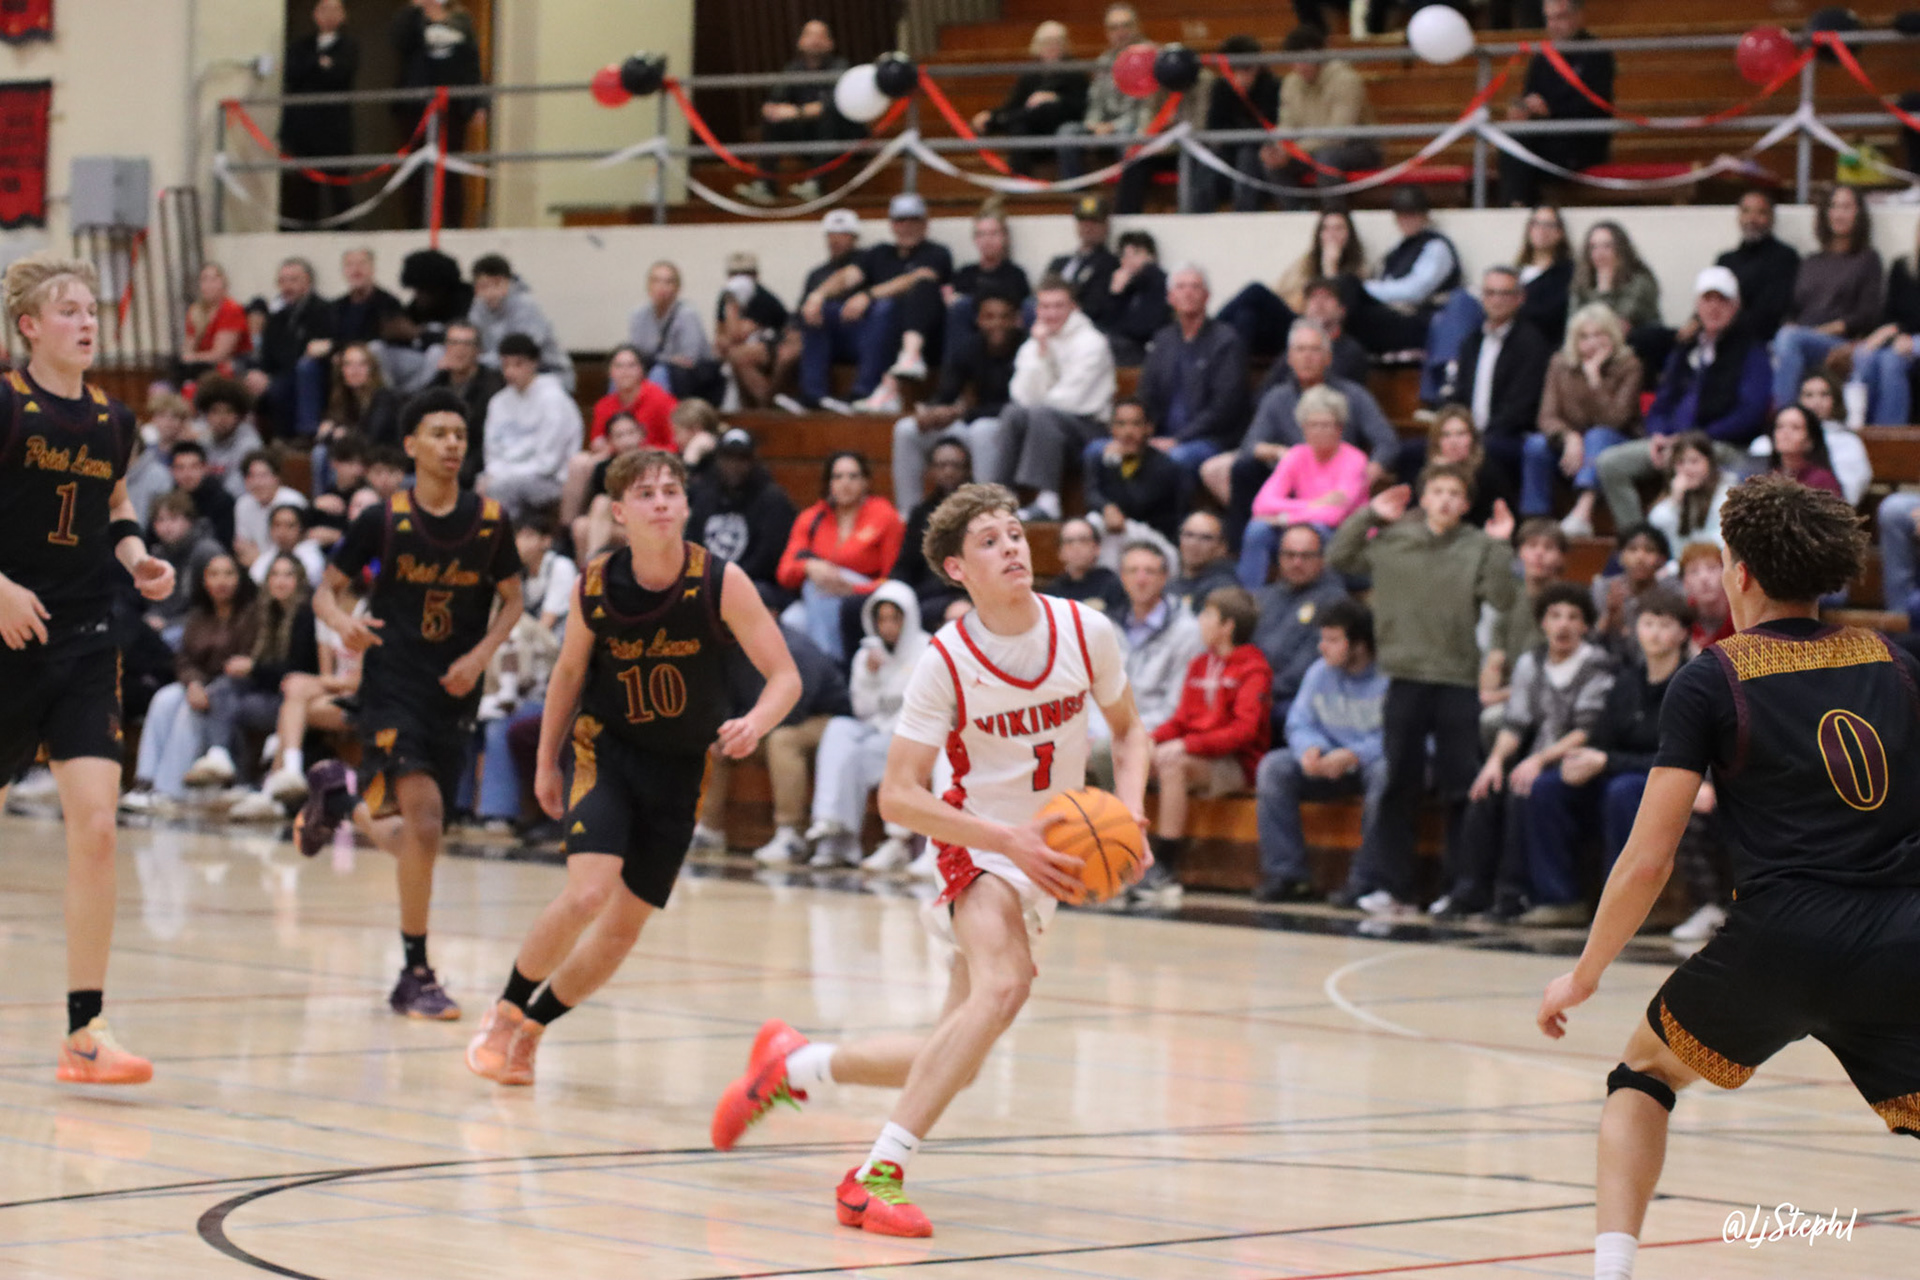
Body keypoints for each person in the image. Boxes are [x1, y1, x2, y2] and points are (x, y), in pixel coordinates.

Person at [708, 482, 1153, 1236]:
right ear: (956, 569)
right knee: (1006, 986)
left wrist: (1132, 812)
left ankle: (795, 1065)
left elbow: (1131, 731)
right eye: (989, 541)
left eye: (1015, 533)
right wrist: (1003, 840)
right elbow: (897, 796)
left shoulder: (1087, 631)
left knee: (960, 1055)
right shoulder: (945, 662)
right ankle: (873, 1176)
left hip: (1046, 854)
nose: (1011, 548)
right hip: (974, 841)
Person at [1536, 475, 1920, 1280]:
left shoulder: (1713, 677)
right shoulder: (1897, 663)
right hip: (1902, 940)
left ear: (1740, 573)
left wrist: (1585, 973)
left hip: (1778, 941)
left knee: (1644, 1076)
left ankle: (1611, 1271)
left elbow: (1649, 859)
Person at [462, 446, 797, 1084]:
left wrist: (756, 722)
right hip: (607, 752)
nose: (661, 503)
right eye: (645, 494)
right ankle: (505, 1012)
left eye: (671, 491)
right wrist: (546, 763)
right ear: (619, 512)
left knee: (621, 931)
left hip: (681, 770)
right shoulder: (595, 583)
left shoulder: (719, 581)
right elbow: (567, 675)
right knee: (589, 891)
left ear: (687, 505)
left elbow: (785, 677)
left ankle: (533, 1030)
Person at [294, 388, 525, 1020]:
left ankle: (339, 799)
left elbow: (513, 599)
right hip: (393, 685)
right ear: (411, 444)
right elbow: (324, 593)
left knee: (419, 836)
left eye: (460, 434)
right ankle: (414, 973)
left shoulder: (489, 521)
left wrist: (480, 656)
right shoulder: (382, 519)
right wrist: (343, 623)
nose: (452, 443)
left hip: (454, 689)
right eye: (439, 432)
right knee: (424, 822)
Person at [0, 255, 176, 1083]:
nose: (87, 322)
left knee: (99, 827)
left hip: (81, 637)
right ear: (30, 326)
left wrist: (139, 557)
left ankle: (84, 1032)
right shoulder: (6, 404)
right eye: (68, 310)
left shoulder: (114, 419)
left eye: (92, 309)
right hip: (4, 632)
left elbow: (114, 501)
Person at [1329, 464, 1516, 916]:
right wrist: (1369, 514)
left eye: (1455, 492)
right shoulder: (1392, 539)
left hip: (1457, 679)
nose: (1446, 499)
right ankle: (1394, 888)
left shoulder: (1479, 544)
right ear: (1424, 498)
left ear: (1465, 504)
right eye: (1438, 491)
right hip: (1404, 676)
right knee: (1398, 785)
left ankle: (1462, 889)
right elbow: (1338, 557)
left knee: (1460, 786)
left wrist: (1500, 545)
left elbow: (1504, 598)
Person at [1448, 582, 1615, 921]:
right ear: (1542, 623)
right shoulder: (1530, 662)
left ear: (1585, 626)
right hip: (1538, 760)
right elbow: (1515, 723)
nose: (1563, 624)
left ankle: (1514, 895)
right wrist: (1494, 762)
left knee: (1523, 789)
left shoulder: (1597, 664)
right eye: (1555, 616)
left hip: (1578, 763)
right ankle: (1470, 893)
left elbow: (1585, 731)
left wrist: (1538, 760)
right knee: (1485, 789)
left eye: (1573, 617)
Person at [1532, 588, 1693, 934]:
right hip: (1619, 775)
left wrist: (1605, 761)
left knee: (1622, 791)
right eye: (1648, 624)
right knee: (1547, 787)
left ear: (1682, 634)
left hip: (1666, 783)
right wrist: (1581, 762)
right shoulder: (1627, 681)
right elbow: (1601, 741)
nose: (1655, 633)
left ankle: (1627, 905)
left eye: (1665, 625)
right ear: (1636, 630)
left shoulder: (1691, 685)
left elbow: (1676, 759)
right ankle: (1560, 899)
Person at [1596, 267, 1770, 529]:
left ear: (1736, 306)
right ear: (1697, 305)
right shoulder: (1686, 346)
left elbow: (1749, 412)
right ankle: (1637, 538)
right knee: (1610, 464)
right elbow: (1663, 400)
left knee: (1705, 458)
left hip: (1722, 443)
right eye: (1707, 299)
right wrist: (1658, 434)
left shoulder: (1751, 350)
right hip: (1673, 441)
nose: (1714, 307)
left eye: (1722, 300)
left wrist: (1694, 439)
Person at [1253, 597, 1386, 904]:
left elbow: (1401, 738)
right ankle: (1288, 876)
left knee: (1387, 775)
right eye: (1322, 639)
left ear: (1360, 645)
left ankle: (1367, 880)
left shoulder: (1388, 679)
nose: (1322, 647)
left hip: (1369, 763)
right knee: (1274, 767)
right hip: (1326, 763)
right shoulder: (1319, 673)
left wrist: (1354, 755)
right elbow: (1298, 723)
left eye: (1332, 640)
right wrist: (1311, 749)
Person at [1144, 586, 1271, 903]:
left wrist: (1187, 745)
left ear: (1227, 626)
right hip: (1199, 753)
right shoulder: (1200, 664)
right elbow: (1181, 720)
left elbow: (1243, 732)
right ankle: (1124, 850)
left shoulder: (1254, 668)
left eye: (1207, 614)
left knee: (1172, 763)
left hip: (1235, 763)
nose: (1200, 621)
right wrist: (1149, 740)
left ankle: (1165, 863)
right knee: (1135, 757)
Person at [1212, 319, 1397, 535]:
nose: (1307, 357)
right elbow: (1250, 445)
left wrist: (1366, 475)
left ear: (1328, 358)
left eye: (1314, 350)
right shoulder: (1277, 397)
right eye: (1300, 350)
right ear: (1289, 358)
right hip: (1291, 481)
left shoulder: (1353, 395)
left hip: (1337, 484)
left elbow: (1387, 442)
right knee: (1243, 468)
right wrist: (1281, 453)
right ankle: (1238, 544)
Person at [693, 622, 847, 866]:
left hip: (828, 720)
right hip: (765, 723)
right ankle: (708, 830)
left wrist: (749, 729)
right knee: (718, 739)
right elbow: (725, 699)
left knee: (783, 741)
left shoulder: (795, 648)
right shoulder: (733, 648)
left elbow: (795, 709)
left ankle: (791, 835)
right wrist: (726, 729)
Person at [806, 581, 928, 873]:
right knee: (839, 729)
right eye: (882, 619)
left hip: (909, 734)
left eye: (894, 619)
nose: (888, 627)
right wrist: (871, 677)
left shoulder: (928, 649)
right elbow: (862, 711)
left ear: (909, 618)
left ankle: (850, 841)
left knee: (856, 757)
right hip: (875, 729)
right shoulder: (866, 655)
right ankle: (830, 826)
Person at [124, 554, 256, 809]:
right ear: (204, 581)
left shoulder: (252, 615)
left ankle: (168, 791)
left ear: (240, 578)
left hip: (231, 687)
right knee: (163, 699)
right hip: (198, 681)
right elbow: (183, 659)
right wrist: (194, 683)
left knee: (189, 709)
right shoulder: (198, 615)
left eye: (228, 574)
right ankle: (144, 781)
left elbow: (247, 661)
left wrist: (204, 688)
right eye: (214, 574)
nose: (221, 581)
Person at [804, 193, 954, 417]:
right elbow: (848, 276)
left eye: (913, 220)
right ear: (892, 224)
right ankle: (812, 396)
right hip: (869, 335)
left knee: (884, 309)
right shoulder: (879, 253)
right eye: (900, 220)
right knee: (820, 312)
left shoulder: (936, 253)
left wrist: (868, 295)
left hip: (908, 334)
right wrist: (818, 295)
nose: (907, 226)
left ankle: (863, 391)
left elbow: (918, 277)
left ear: (925, 223)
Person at [185, 552, 314, 795]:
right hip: (269, 689)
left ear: (299, 580)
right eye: (275, 575)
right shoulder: (268, 611)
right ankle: (218, 756)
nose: (280, 581)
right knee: (221, 689)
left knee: (232, 707)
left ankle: (240, 781)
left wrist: (253, 668)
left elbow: (297, 672)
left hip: (290, 699)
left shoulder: (305, 615)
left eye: (288, 575)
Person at [1421, 206, 1573, 406]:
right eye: (1536, 224)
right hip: (1496, 325)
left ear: (1560, 233)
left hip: (1526, 332)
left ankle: (1449, 379)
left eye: (1549, 225)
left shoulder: (1564, 272)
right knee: (1452, 307)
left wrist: (1509, 303)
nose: (1541, 230)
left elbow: (1553, 311)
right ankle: (1447, 376)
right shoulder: (1518, 269)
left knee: (1463, 308)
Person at [998, 276, 1115, 522]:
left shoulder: (1092, 342)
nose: (1051, 313)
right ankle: (1001, 498)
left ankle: (1048, 501)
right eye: (1045, 306)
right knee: (1012, 413)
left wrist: (1037, 403)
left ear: (1074, 307)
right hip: (1046, 424)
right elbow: (1020, 396)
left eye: (1058, 306)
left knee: (1042, 414)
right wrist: (1041, 352)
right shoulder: (1033, 343)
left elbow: (1072, 400)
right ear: (1037, 309)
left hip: (1088, 428)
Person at [891, 290, 1021, 507]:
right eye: (989, 316)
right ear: (979, 320)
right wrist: (930, 411)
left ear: (1017, 320)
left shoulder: (1028, 348)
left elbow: (1018, 406)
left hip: (1005, 429)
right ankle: (907, 513)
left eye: (1004, 317)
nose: (997, 323)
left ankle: (989, 510)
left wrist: (960, 412)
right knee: (905, 429)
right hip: (969, 423)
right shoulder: (968, 347)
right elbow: (946, 393)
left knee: (982, 430)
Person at [774, 452, 905, 663]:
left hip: (866, 591)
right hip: (822, 596)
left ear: (866, 482)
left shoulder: (885, 516)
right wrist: (809, 566)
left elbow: (894, 578)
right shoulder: (812, 518)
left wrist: (854, 589)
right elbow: (784, 573)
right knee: (790, 622)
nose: (845, 483)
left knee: (817, 587)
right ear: (829, 483)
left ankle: (830, 664)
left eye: (853, 476)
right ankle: (814, 675)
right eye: (838, 477)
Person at [1526, 302, 1642, 533]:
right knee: (1535, 445)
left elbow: (1616, 420)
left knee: (1597, 436)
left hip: (1614, 441)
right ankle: (1536, 521)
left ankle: (1583, 511)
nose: (1592, 343)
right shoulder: (1560, 363)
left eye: (1599, 335)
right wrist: (1569, 437)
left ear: (1612, 336)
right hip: (1571, 442)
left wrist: (1594, 379)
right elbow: (1547, 416)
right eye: (1584, 337)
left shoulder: (1630, 366)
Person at [1240, 387, 1369, 588]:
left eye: (1326, 425)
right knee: (1257, 528)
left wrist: (1284, 518)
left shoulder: (1355, 460)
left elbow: (1333, 516)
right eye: (1313, 425)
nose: (1319, 431)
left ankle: (1325, 594)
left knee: (1314, 530)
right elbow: (1261, 505)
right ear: (1303, 428)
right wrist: (1314, 504)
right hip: (1302, 528)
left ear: (1340, 428)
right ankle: (1249, 596)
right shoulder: (1296, 455)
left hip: (1344, 539)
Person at [1771, 185, 1883, 416]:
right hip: (1802, 337)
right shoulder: (1810, 261)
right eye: (1834, 206)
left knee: (1789, 339)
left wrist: (1819, 331)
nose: (1839, 214)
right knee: (1781, 340)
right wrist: (1791, 325)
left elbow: (1866, 315)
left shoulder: (1868, 259)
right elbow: (1794, 307)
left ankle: (1786, 416)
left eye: (1846, 207)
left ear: (1858, 214)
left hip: (1841, 342)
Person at [1440, 266, 1553, 495]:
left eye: (1504, 294)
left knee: (1486, 450)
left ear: (1519, 298)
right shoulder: (1471, 341)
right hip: (1471, 435)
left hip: (1512, 437)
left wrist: (1473, 440)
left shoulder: (1532, 343)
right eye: (1490, 293)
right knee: (1413, 451)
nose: (1496, 300)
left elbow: (1521, 407)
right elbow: (1460, 393)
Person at [1131, 265, 1250, 475]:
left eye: (1195, 287)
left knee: (1173, 460)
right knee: (1101, 453)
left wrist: (1178, 439)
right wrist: (1138, 433)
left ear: (1207, 296)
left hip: (1210, 439)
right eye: (1181, 287)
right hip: (1162, 436)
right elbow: (1145, 394)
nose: (1188, 292)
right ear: (1170, 297)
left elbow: (1223, 408)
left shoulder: (1226, 341)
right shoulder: (1162, 340)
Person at [1497, 0, 1614, 206]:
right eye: (1549, 18)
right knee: (1512, 140)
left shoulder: (1597, 54)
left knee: (1525, 152)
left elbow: (1595, 106)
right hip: (1544, 138)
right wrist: (1522, 109)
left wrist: (1550, 110)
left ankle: (1518, 204)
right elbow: (1529, 96)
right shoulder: (1542, 58)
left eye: (1560, 17)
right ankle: (1516, 205)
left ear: (1578, 16)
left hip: (1580, 141)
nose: (1553, 25)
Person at [734, 20, 859, 205]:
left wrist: (797, 111)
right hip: (808, 137)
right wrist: (772, 110)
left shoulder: (840, 67)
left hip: (840, 138)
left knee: (828, 118)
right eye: (810, 35)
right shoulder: (793, 69)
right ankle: (765, 186)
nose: (815, 40)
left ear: (830, 43)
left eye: (820, 35)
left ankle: (815, 185)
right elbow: (776, 99)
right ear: (800, 41)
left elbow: (834, 105)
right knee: (773, 120)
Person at [1220, 208, 1367, 361]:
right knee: (1246, 316)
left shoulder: (1357, 269)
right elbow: (1279, 291)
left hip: (1308, 326)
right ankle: (1231, 369)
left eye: (1338, 228)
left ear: (1349, 235)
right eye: (1326, 229)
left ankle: (1211, 330)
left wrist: (1330, 267)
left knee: (1255, 290)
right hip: (1286, 321)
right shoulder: (1306, 262)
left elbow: (1336, 308)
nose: (1332, 234)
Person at [1260, 27, 1378, 209]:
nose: (1300, 66)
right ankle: (1297, 215)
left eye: (1305, 59)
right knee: (1272, 163)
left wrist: (1292, 150)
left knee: (1327, 159)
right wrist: (1278, 147)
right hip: (1309, 149)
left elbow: (1338, 135)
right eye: (1294, 60)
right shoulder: (1291, 83)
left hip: (1357, 148)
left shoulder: (1346, 80)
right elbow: (1287, 123)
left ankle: (1334, 217)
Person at [390, 0, 483, 229]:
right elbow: (400, 42)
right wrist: (416, 10)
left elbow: (472, 62)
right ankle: (414, 226)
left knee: (451, 168)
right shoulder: (409, 18)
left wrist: (478, 104)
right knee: (415, 170)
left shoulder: (461, 19)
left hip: (453, 107)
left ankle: (453, 226)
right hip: (416, 106)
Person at [686, 429, 798, 608]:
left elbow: (768, 558)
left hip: (757, 583)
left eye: (742, 459)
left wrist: (728, 581)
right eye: (728, 458)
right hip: (707, 581)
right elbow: (692, 544)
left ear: (753, 461)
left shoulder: (773, 499)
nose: (734, 466)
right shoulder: (704, 495)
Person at [1346, 188, 1460, 355]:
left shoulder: (1436, 247)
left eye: (1412, 214)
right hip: (1394, 316)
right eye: (1402, 214)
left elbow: (1414, 291)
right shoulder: (1399, 249)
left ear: (1424, 215)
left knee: (1351, 302)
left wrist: (1363, 288)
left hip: (1421, 320)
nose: (1406, 220)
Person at [481, 332, 582, 521]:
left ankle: (501, 537)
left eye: (518, 364)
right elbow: (492, 453)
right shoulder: (498, 402)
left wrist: (504, 477)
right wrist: (496, 474)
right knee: (480, 486)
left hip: (549, 480)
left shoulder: (554, 399)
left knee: (500, 490)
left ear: (534, 363)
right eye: (506, 365)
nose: (510, 372)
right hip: (504, 476)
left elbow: (548, 463)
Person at [1058, 3, 1158, 193]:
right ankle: (1078, 195)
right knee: (1067, 133)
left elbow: (1148, 108)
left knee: (1128, 140)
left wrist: (1113, 126)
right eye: (1114, 28)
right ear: (1107, 32)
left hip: (1135, 126)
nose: (1120, 32)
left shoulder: (1151, 57)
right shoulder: (1104, 60)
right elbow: (1095, 100)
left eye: (1126, 26)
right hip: (1104, 125)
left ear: (1137, 27)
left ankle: (1127, 202)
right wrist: (1093, 124)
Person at [1481, 518, 1568, 724]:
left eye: (1548, 548)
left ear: (1561, 557)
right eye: (1532, 546)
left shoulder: (1568, 603)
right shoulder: (1508, 598)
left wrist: (1498, 696)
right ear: (1520, 552)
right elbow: (1494, 659)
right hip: (1508, 695)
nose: (1539, 554)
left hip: (1554, 697)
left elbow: (1561, 671)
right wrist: (1488, 693)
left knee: (1493, 719)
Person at [279, 0, 359, 224]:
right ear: (315, 14)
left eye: (335, 10)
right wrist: (320, 63)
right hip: (303, 127)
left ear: (343, 16)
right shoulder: (300, 45)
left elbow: (341, 74)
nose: (329, 15)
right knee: (303, 187)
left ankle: (343, 229)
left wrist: (317, 66)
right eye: (324, 9)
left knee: (338, 184)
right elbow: (293, 74)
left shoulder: (349, 46)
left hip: (334, 127)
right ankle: (304, 229)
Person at [971, 22, 1088, 176]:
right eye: (1047, 42)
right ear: (1037, 46)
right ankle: (1020, 179)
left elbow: (1081, 106)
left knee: (1044, 108)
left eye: (1057, 42)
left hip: (1058, 128)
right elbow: (1013, 104)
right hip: (1033, 134)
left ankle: (998, 122)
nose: (1052, 46)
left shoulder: (1075, 71)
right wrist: (991, 113)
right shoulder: (1031, 74)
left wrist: (1054, 98)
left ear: (1065, 44)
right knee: (1018, 126)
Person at [1188, 34, 1280, 215]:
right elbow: (1214, 124)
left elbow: (1272, 122)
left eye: (1247, 68)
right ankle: (1198, 214)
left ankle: (1244, 213)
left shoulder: (1271, 85)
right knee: (1208, 159)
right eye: (1235, 69)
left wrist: (1246, 95)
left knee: (1247, 156)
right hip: (1229, 147)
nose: (1242, 74)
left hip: (1258, 148)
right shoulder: (1221, 87)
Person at [244, 257, 334, 438]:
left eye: (293, 280)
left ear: (308, 281)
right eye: (282, 281)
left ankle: (298, 437)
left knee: (281, 388)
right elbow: (266, 356)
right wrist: (258, 373)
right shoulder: (277, 318)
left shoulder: (325, 311)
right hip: (279, 375)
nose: (287, 286)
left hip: (312, 374)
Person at [891, 438, 975, 625]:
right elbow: (905, 565)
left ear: (968, 469)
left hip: (968, 594)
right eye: (941, 465)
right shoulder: (921, 513)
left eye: (955, 465)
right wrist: (892, 594)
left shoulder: (981, 512)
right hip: (926, 595)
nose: (948, 471)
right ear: (931, 471)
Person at [1085, 398, 1184, 553]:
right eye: (1121, 424)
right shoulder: (1101, 458)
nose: (1128, 432)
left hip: (1156, 541)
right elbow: (1091, 493)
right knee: (1092, 522)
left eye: (1136, 424)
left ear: (1149, 428)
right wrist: (1106, 507)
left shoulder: (1164, 466)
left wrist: (1114, 465)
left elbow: (1135, 506)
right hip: (1120, 534)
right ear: (1112, 428)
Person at [1849, 217, 1920, 426]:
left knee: (1891, 360)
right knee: (1864, 354)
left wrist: (1912, 342)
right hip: (1901, 335)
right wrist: (1888, 331)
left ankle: (1888, 432)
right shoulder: (1903, 267)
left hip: (1912, 341)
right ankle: (1859, 426)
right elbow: (1891, 312)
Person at [1567, 222, 1663, 374]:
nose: (1599, 253)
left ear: (1621, 249)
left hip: (1632, 348)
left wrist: (1604, 288)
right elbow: (1573, 324)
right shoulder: (1582, 280)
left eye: (1607, 246)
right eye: (1593, 247)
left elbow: (1617, 327)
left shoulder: (1640, 281)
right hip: (1589, 346)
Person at [469, 254, 575, 391]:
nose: (491, 292)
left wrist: (477, 360)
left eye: (496, 284)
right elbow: (474, 343)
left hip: (548, 373)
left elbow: (521, 351)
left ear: (508, 282)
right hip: (503, 373)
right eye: (484, 286)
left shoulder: (526, 306)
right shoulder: (477, 308)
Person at [627, 260, 721, 403]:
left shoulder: (687, 314)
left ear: (677, 288)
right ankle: (619, 414)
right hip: (652, 367)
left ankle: (657, 413)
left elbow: (689, 359)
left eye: (668, 282)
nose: (662, 287)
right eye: (656, 281)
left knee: (659, 372)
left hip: (690, 377)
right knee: (623, 372)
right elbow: (636, 354)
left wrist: (657, 359)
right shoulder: (638, 315)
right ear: (648, 286)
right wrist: (667, 358)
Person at [1714, 189, 1800, 343]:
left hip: (1760, 340)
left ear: (1771, 218)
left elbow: (1772, 311)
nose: (1751, 219)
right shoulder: (1725, 261)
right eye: (1746, 211)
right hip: (1719, 337)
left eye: (1760, 212)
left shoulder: (1784, 257)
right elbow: (1711, 301)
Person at [1591, 523, 1672, 663]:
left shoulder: (1670, 596)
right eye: (1632, 549)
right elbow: (1587, 642)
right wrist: (1609, 617)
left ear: (1662, 560)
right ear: (1620, 556)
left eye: (1649, 550)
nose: (1640, 557)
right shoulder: (1602, 588)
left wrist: (1624, 629)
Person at [945, 207, 1031, 337]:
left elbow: (1016, 310)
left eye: (993, 233)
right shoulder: (964, 274)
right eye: (981, 234)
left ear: (1005, 237)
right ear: (975, 239)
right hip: (970, 338)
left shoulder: (1016, 274)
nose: (987, 240)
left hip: (1006, 337)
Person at [1647, 432, 1733, 554]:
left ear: (1709, 462)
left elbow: (1720, 540)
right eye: (1680, 462)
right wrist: (1675, 500)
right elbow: (1656, 524)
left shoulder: (1725, 493)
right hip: (1682, 562)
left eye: (1694, 461)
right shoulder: (1676, 494)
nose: (1687, 469)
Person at [1042, 195, 1120, 324]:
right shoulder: (1059, 262)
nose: (1088, 226)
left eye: (1094, 221)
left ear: (1106, 225)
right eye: (1083, 221)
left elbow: (1095, 306)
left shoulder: (1109, 264)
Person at [1099, 230, 1172, 366]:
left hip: (1147, 350)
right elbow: (1106, 323)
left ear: (1151, 256)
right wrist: (1115, 294)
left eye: (1136, 253)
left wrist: (1122, 328)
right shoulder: (1126, 286)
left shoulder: (1160, 282)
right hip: (1122, 347)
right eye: (1124, 255)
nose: (1129, 260)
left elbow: (1147, 326)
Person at [126, 391, 196, 526]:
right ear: (153, 419)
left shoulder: (190, 452)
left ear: (182, 421)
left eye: (174, 417)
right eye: (162, 416)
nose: (167, 422)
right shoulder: (146, 452)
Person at [232, 449, 309, 571]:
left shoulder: (293, 501)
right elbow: (243, 548)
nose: (258, 483)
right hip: (255, 565)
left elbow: (295, 546)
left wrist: (259, 559)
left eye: (263, 476)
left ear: (276, 477)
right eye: (251, 476)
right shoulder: (242, 504)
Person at [1043, 517, 1126, 617]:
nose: (1076, 547)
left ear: (1097, 547)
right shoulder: (1054, 591)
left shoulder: (1112, 584)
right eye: (1069, 541)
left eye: (1083, 540)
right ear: (1060, 552)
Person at [182, 262, 252, 380]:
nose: (208, 285)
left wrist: (193, 358)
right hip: (203, 366)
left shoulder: (231, 309)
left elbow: (220, 354)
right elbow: (188, 349)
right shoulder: (195, 311)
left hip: (234, 364)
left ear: (223, 283)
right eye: (204, 280)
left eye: (213, 280)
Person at [1168, 511, 1239, 615]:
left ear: (1222, 547)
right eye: (1189, 535)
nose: (1194, 543)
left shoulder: (1225, 588)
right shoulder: (1168, 582)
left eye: (1206, 538)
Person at [168, 441, 237, 548]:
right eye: (180, 468)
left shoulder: (222, 502)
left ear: (205, 468)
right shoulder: (167, 502)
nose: (187, 474)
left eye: (194, 467)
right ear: (171, 470)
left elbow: (224, 544)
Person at [1763, 404, 1842, 496]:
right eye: (1780, 426)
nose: (1785, 433)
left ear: (1810, 440)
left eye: (1795, 427)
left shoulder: (1823, 481)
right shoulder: (1768, 479)